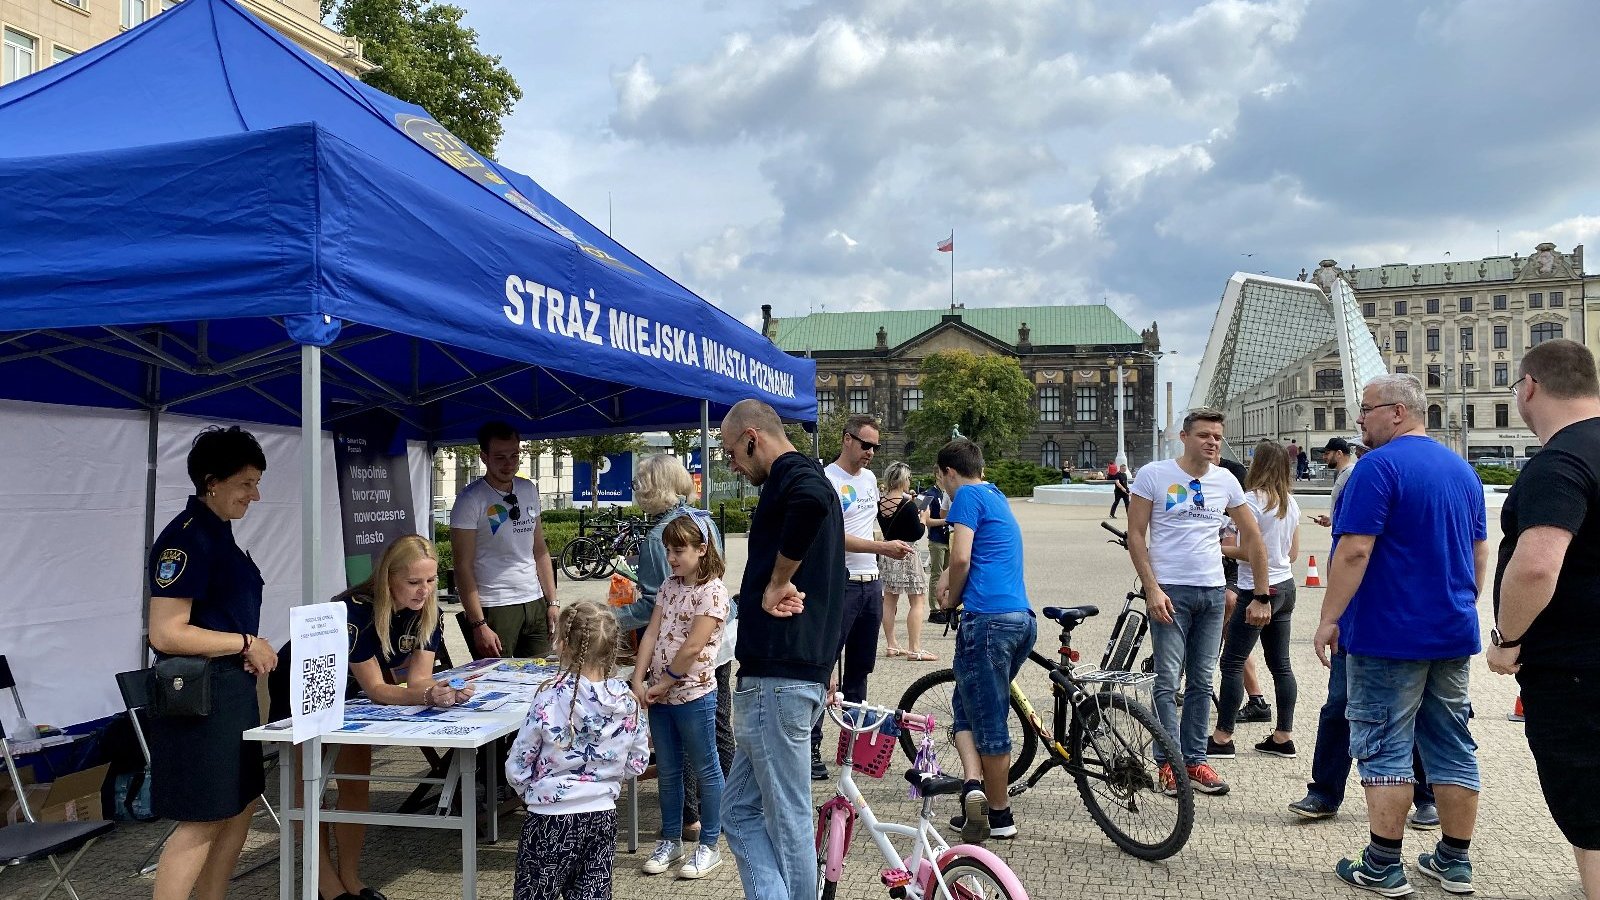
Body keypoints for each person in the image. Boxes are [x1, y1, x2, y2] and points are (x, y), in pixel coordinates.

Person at [1313, 373, 1486, 897]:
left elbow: (1354, 550)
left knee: (1385, 744)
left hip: (1389, 633)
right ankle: (1454, 860)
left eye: (1365, 409)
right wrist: (1462, 602)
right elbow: (1480, 552)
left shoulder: (1378, 468)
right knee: (1452, 743)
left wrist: (1328, 618)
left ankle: (1383, 864)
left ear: (1397, 412)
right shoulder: (1462, 471)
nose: (1358, 420)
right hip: (1451, 631)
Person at [266, 534, 472, 900]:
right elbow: (378, 689)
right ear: (387, 578)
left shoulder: (430, 612)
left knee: (355, 779)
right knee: (310, 780)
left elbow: (420, 679)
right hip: (307, 682)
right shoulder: (354, 610)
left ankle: (351, 877)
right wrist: (424, 695)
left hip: (356, 693)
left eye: (430, 580)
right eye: (413, 582)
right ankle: (323, 880)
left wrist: (442, 694)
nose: (423, 591)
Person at [1485, 339, 1600, 900]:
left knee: (1591, 812)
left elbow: (1535, 567)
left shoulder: (1560, 461)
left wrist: (1508, 639)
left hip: (1579, 671)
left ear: (1529, 387)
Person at [717, 399, 845, 900]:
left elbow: (810, 502)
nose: (731, 463)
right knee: (736, 810)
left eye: (731, 453)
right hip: (785, 677)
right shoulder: (805, 476)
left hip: (778, 680)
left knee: (788, 813)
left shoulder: (797, 477)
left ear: (753, 438)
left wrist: (776, 581)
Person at [147, 426, 280, 900]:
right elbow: (165, 631)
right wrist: (245, 642)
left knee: (240, 804)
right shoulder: (186, 541)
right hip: (199, 699)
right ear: (211, 482)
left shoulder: (217, 533)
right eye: (246, 483)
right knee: (203, 818)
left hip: (231, 694)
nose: (256, 495)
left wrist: (242, 646)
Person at [1292, 432, 1441, 829]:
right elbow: (1345, 552)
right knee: (1342, 705)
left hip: (1396, 617)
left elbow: (1359, 551)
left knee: (1404, 709)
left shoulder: (1408, 482)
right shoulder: (1361, 480)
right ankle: (1325, 790)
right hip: (1359, 617)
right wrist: (1333, 615)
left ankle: (1423, 795)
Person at [1127, 408, 1269, 797]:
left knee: (1203, 681)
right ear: (1184, 437)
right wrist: (1151, 588)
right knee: (1168, 680)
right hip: (1170, 590)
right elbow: (1136, 535)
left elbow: (1254, 537)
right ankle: (1167, 763)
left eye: (1217, 437)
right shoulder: (1154, 475)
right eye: (1204, 435)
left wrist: (1260, 593)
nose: (1212, 442)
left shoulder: (1225, 480)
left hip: (1210, 591)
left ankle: (1194, 760)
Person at [612, 453, 733, 842]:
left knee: (685, 753)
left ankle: (693, 820)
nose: (671, 557)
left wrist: (607, 617)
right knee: (719, 731)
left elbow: (649, 611)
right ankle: (731, 809)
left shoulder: (658, 536)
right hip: (720, 648)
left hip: (685, 668)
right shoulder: (706, 521)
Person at [507, 601, 649, 900]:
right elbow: (637, 763)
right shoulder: (627, 701)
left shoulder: (549, 697)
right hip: (602, 815)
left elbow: (520, 759)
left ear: (561, 644)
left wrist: (526, 788)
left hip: (550, 816)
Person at [933, 439, 1035, 843]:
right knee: (967, 703)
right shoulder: (995, 495)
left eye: (939, 478)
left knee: (990, 719)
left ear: (948, 473)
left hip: (988, 620)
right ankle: (973, 788)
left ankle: (1000, 815)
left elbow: (959, 558)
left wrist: (948, 596)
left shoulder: (967, 496)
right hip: (1020, 618)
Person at [813, 414, 913, 779]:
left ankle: (852, 747)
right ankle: (811, 747)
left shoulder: (870, 479)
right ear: (846, 439)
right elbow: (832, 535)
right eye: (865, 444)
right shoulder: (827, 480)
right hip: (840, 582)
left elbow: (866, 525)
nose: (871, 452)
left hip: (871, 583)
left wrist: (889, 543)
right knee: (824, 666)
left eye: (876, 446)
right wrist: (882, 546)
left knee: (860, 669)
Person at [632, 515, 730, 880]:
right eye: (668, 550)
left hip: (693, 694)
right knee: (669, 770)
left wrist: (664, 682)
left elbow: (692, 647)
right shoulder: (668, 586)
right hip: (660, 695)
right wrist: (639, 679)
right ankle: (670, 839)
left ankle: (709, 845)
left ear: (701, 550)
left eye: (679, 550)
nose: (672, 558)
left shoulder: (713, 591)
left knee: (706, 767)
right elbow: (651, 633)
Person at [1208, 441, 1300, 760]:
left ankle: (1222, 738)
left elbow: (1249, 551)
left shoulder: (1251, 501)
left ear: (1257, 465)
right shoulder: (1290, 502)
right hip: (1286, 586)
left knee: (1232, 661)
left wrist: (1217, 548)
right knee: (1281, 666)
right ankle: (1283, 736)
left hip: (1258, 589)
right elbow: (1293, 554)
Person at [452, 421, 559, 660]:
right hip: (496, 605)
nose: (508, 464)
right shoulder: (470, 500)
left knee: (541, 679)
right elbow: (462, 566)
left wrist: (553, 601)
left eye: (514, 455)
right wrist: (478, 623)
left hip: (534, 601)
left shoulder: (528, 489)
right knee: (498, 679)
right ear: (484, 457)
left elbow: (539, 549)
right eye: (500, 457)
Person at [1217, 454, 1271, 724]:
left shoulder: (1234, 514)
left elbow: (1236, 551)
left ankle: (1249, 704)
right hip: (1258, 582)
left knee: (1232, 646)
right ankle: (1257, 699)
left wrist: (1213, 546)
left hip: (1231, 580)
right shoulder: (1279, 502)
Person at [878, 461, 933, 661]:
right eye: (908, 478)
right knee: (917, 600)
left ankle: (891, 645)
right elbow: (917, 533)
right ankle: (914, 648)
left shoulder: (881, 502)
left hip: (887, 551)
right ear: (903, 479)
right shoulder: (909, 505)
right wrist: (923, 518)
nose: (910, 481)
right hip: (907, 553)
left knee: (889, 599)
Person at [1309, 437, 1355, 528]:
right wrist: (1332, 519)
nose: (1324, 457)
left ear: (1339, 453)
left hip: (1344, 534)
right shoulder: (1344, 473)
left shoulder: (1350, 474)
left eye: (1327, 453)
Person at [923, 483, 952, 626]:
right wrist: (945, 521)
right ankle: (934, 609)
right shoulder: (930, 494)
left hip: (948, 538)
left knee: (949, 574)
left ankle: (946, 606)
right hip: (936, 539)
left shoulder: (947, 492)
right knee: (937, 573)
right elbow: (925, 520)